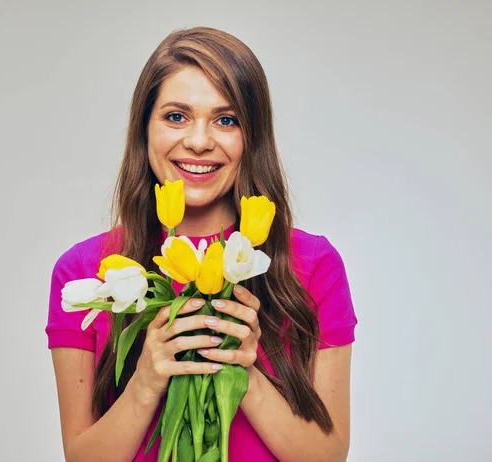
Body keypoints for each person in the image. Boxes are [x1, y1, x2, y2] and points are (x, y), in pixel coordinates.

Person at [45, 26, 358, 462]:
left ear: (253, 137)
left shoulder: (312, 264)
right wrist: (147, 380)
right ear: (145, 129)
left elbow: (327, 457)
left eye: (226, 120)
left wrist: (244, 370)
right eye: (176, 116)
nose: (198, 141)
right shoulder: (85, 269)